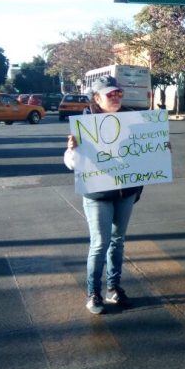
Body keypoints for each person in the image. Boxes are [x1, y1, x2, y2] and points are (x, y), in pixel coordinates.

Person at [65, 75, 143, 314]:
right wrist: (72, 150)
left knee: (118, 241)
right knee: (100, 243)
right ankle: (93, 293)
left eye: (119, 93)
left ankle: (113, 288)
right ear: (97, 98)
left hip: (126, 192)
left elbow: (144, 152)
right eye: (111, 94)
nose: (116, 97)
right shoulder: (84, 125)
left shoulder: (133, 119)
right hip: (98, 194)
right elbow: (71, 164)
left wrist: (161, 148)